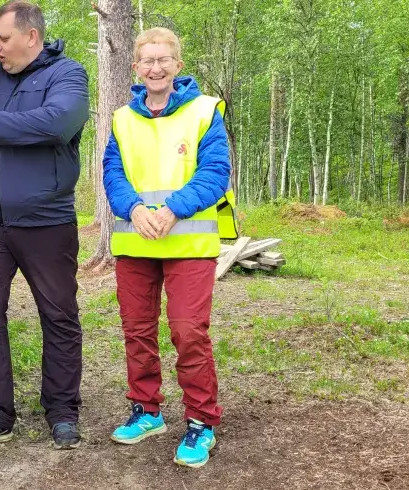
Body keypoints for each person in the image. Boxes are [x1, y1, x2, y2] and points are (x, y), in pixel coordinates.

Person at [0, 1, 89, 451]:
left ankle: (62, 411)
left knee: (59, 316)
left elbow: (55, 124)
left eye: (3, 38)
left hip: (47, 222)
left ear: (31, 36)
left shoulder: (68, 75)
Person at [102, 27, 237, 468]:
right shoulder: (123, 118)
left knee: (188, 332)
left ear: (178, 66)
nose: (155, 68)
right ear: (136, 68)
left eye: (164, 60)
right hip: (136, 241)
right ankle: (147, 411)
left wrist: (173, 210)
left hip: (189, 244)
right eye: (147, 61)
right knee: (137, 331)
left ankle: (201, 421)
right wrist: (134, 208)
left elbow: (215, 172)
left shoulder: (203, 111)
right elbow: (113, 172)